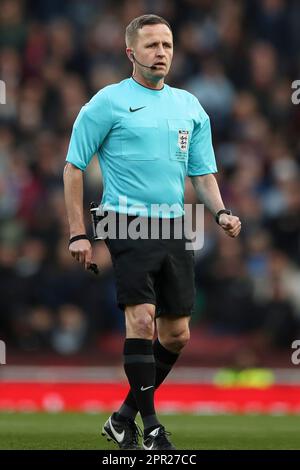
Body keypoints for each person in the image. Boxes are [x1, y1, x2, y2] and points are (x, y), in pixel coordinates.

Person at [63, 14, 241, 450]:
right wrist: (78, 233)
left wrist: (220, 213)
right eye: (151, 46)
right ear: (131, 53)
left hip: (176, 224)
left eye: (166, 45)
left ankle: (123, 416)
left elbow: (202, 174)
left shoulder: (189, 107)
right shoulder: (106, 102)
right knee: (141, 320)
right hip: (125, 220)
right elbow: (73, 167)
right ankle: (152, 426)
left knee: (177, 334)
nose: (161, 53)